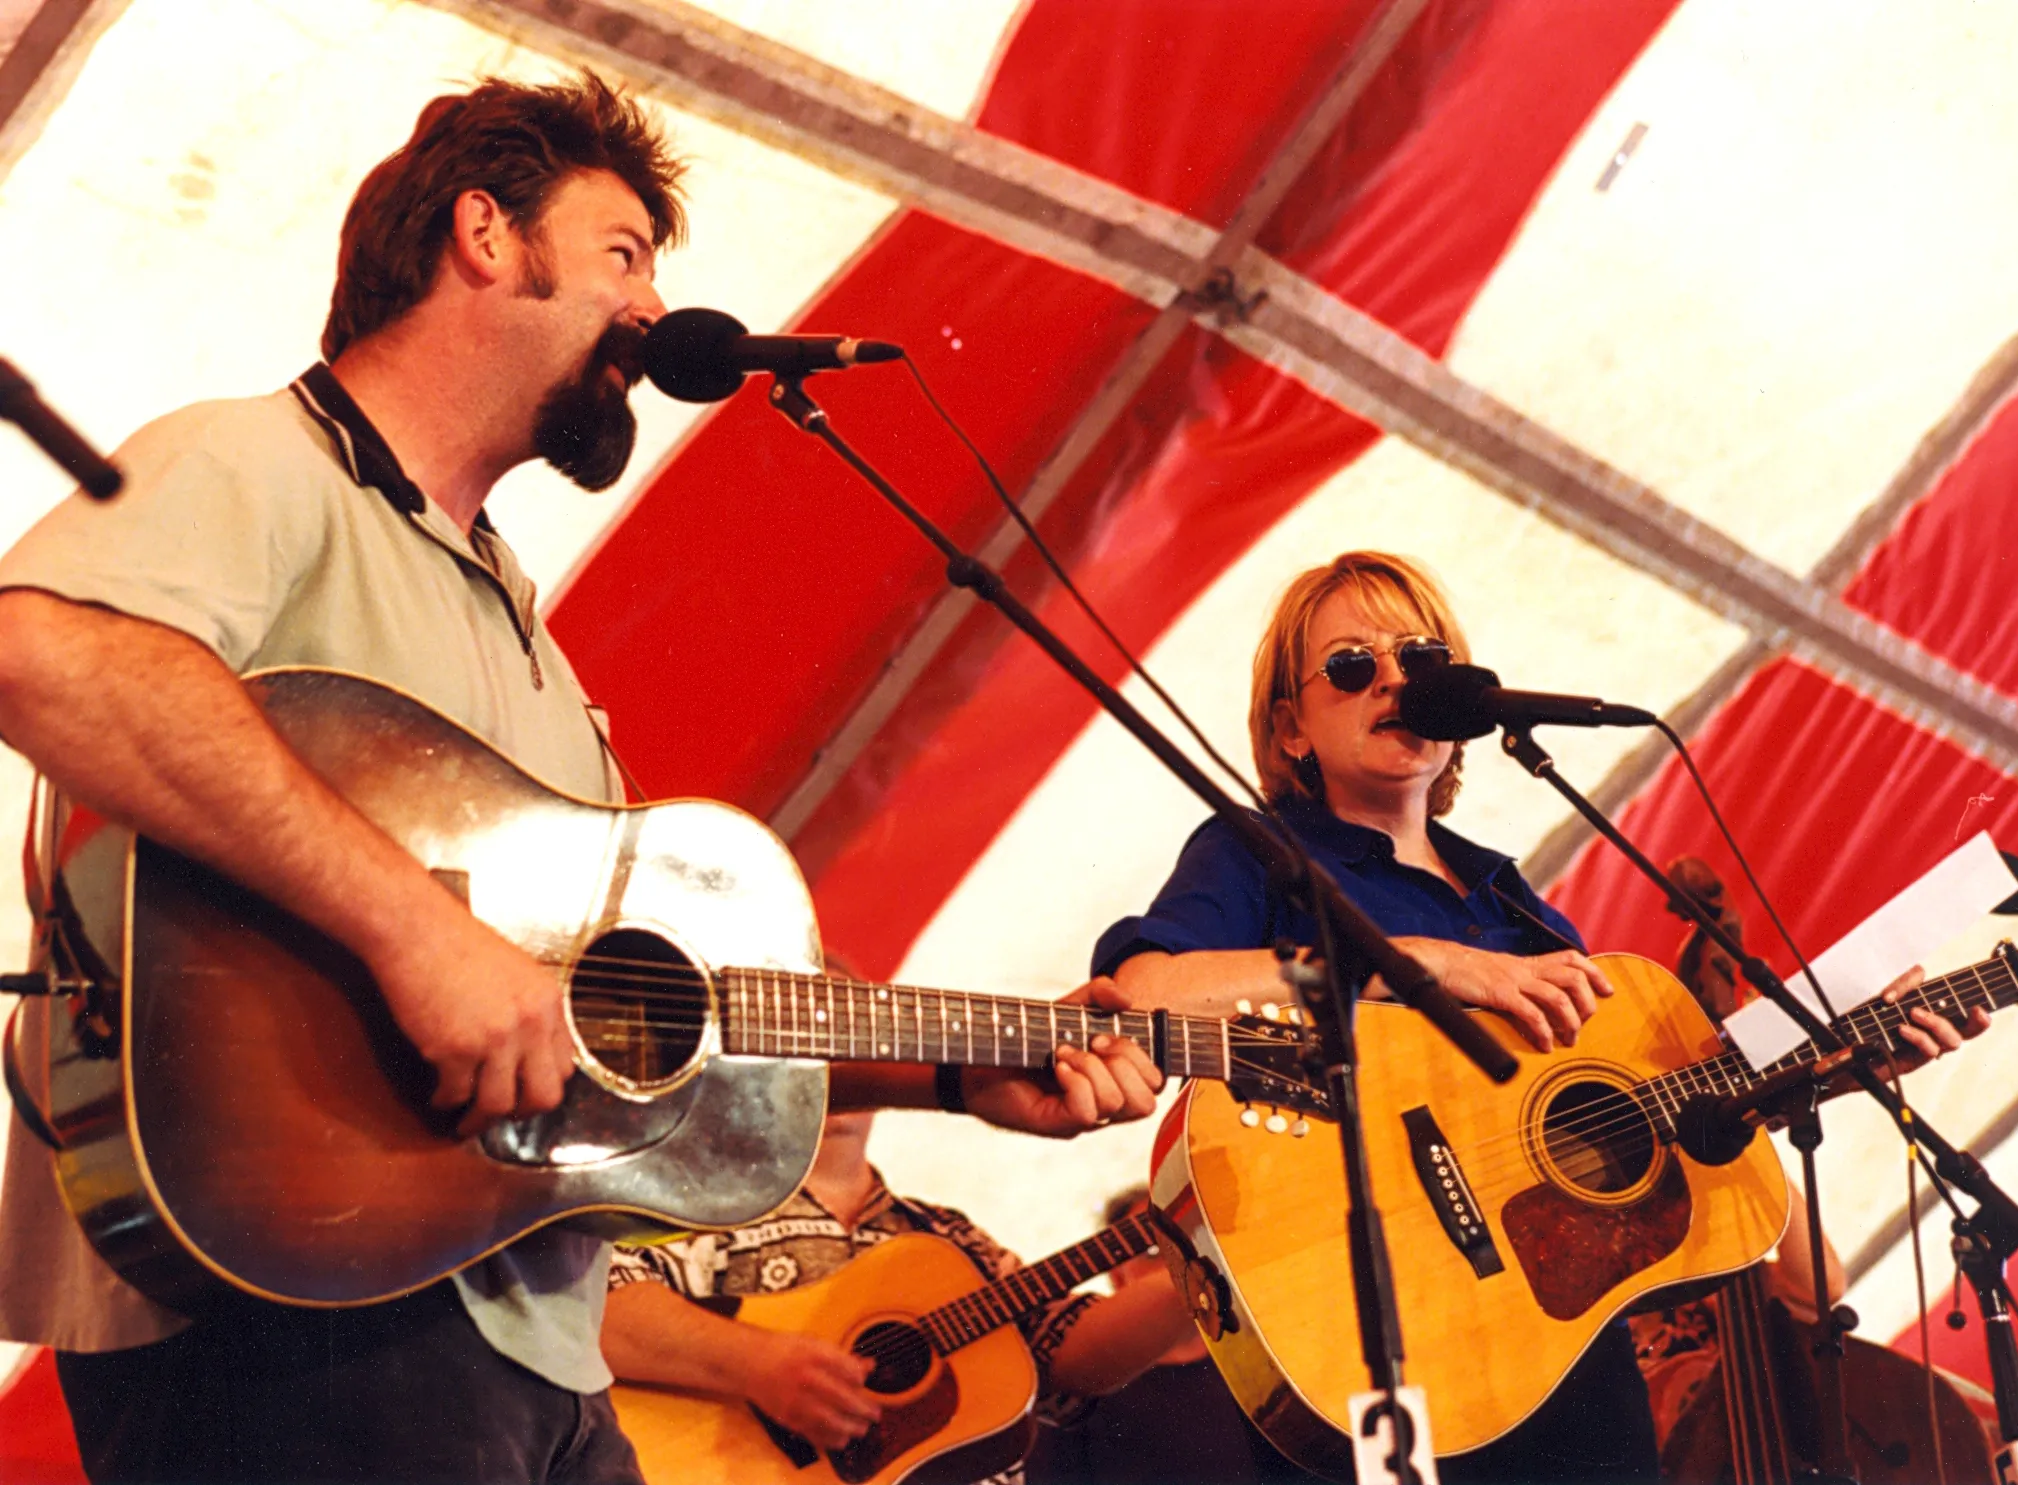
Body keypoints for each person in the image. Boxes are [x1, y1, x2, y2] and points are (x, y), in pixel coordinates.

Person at [0, 73, 1157, 1485]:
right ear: (486, 234)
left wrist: (961, 1071)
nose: (653, 310)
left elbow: (631, 1025)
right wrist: (420, 937)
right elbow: (45, 655)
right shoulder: (264, 460)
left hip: (535, 1342)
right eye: (623, 253)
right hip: (302, 1300)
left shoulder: (520, 633)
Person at [1090, 550, 1984, 1483]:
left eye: (1421, 659)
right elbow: (1144, 993)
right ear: (1289, 727)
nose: (1395, 680)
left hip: (1566, 1379)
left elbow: (1655, 1164)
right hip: (1372, 1348)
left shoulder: (1516, 908)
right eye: (1352, 665)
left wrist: (1820, 1071)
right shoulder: (1255, 854)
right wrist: (1421, 964)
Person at [603, 1113, 1194, 1485]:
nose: (830, 1060)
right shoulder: (681, 1212)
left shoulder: (946, 1237)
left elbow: (1067, 1356)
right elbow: (596, 1310)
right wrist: (758, 1364)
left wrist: (1195, 1270)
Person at [1025, 1185, 1281, 1485]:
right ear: (1118, 1277)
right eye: (1153, 1253)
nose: (1184, 1260)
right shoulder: (1079, 1397)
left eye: (1196, 1237)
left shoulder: (1268, 1366)